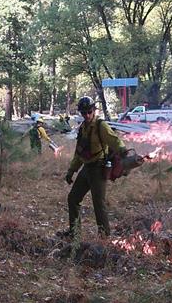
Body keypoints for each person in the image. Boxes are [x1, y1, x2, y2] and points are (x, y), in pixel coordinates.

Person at [61, 96, 126, 239]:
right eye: (84, 113)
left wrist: (124, 152)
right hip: (86, 168)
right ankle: (74, 233)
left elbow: (115, 140)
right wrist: (71, 171)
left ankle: (104, 237)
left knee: (98, 203)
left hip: (99, 168)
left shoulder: (100, 126)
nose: (87, 115)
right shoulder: (82, 128)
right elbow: (79, 152)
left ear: (94, 110)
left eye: (89, 112)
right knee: (73, 198)